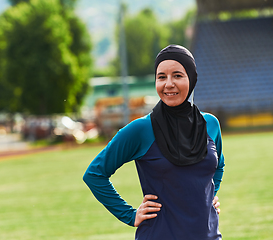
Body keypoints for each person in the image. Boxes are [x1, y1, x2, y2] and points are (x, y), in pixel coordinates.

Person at [83, 45, 225, 239]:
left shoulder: (210, 124)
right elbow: (94, 174)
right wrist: (130, 215)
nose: (168, 84)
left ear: (192, 78)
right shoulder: (140, 129)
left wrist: (210, 195)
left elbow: (219, 165)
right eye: (161, 77)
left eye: (177, 75)